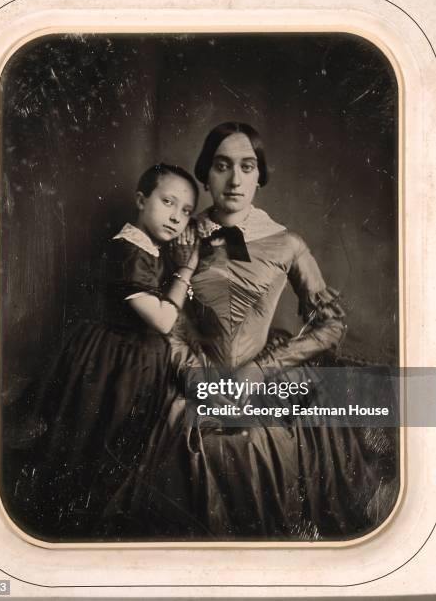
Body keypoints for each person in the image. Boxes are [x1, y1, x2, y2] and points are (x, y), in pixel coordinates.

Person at [135, 123, 397, 540]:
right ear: (206, 173)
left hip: (266, 378)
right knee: (189, 449)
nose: (235, 180)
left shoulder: (288, 243)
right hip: (194, 376)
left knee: (262, 447)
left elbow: (332, 324)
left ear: (260, 176)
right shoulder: (179, 236)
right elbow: (169, 321)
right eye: (222, 166)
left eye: (247, 166)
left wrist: (262, 368)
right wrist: (194, 375)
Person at [3, 163, 201, 540]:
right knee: (90, 446)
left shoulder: (148, 248)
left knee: (116, 452)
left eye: (186, 211)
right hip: (108, 362)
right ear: (142, 200)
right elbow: (161, 320)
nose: (176, 217)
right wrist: (187, 270)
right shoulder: (129, 251)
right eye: (168, 202)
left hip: (131, 362)